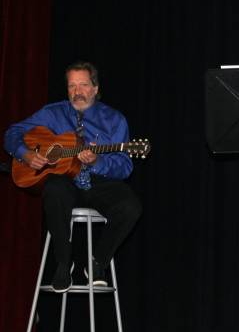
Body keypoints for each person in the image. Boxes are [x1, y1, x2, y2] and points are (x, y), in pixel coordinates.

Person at [4, 61, 142, 293]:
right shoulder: (52, 113)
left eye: (84, 85)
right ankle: (63, 262)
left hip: (98, 182)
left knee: (131, 206)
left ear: (95, 89)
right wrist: (25, 154)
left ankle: (97, 261)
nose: (77, 92)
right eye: (72, 86)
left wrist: (98, 161)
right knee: (55, 189)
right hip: (64, 182)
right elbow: (12, 133)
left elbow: (125, 166)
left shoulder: (114, 120)